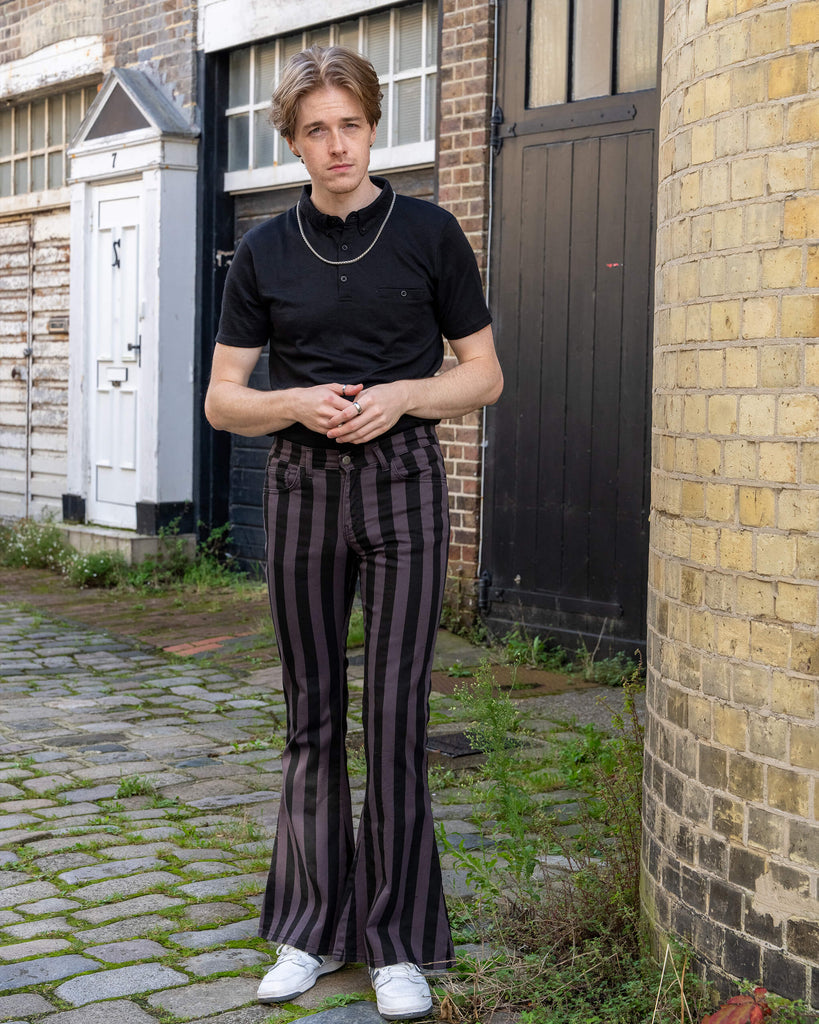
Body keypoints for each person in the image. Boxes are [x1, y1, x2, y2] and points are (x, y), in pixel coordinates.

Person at [204, 43, 502, 1022]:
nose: (337, 146)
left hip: (407, 484)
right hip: (301, 491)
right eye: (316, 130)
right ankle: (308, 928)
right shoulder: (264, 253)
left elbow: (484, 374)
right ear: (292, 141)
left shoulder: (428, 232)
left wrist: (408, 395)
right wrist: (291, 401)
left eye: (352, 125)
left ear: (375, 127)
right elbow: (223, 402)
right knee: (312, 715)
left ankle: (399, 944)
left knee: (398, 718)